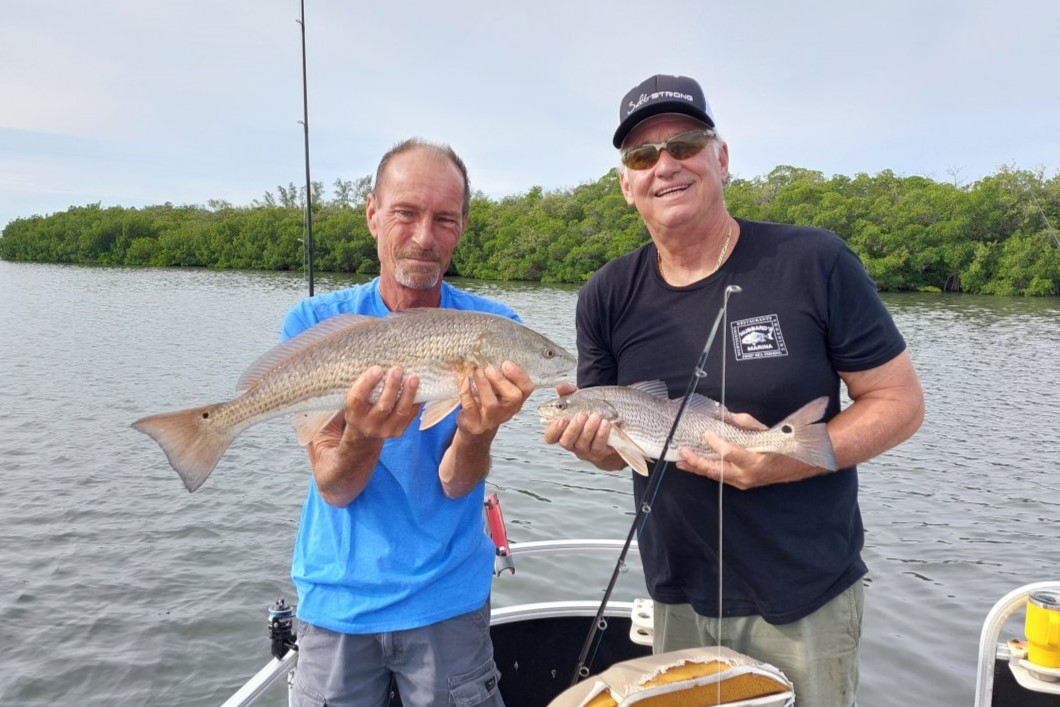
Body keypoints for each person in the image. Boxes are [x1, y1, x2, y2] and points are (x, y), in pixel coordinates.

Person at [543, 74, 925, 706]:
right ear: (625, 184)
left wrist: (790, 460)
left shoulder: (815, 261)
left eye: (684, 144)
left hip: (806, 595)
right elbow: (619, 448)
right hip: (678, 591)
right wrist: (593, 445)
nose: (664, 165)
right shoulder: (605, 296)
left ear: (720, 158)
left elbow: (901, 402)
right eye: (642, 155)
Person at [282, 138, 532, 707]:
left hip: (448, 599)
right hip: (337, 601)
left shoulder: (497, 328)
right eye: (405, 213)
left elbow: (454, 482)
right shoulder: (315, 321)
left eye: (444, 219)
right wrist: (365, 433)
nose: (424, 236)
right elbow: (336, 486)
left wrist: (477, 428)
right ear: (372, 213)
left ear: (462, 227)